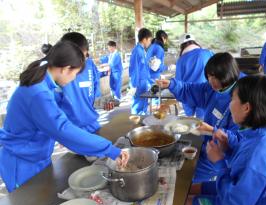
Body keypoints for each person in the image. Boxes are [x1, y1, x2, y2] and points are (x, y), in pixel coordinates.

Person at [0, 41, 128, 192]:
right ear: (66, 69)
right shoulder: (38, 92)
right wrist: (110, 149)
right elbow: (62, 129)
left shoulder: (45, 81)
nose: (74, 78)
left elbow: (60, 117)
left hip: (35, 154)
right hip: (22, 161)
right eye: (75, 74)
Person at [181, 75, 266, 205]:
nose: (230, 105)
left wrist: (218, 162)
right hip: (248, 197)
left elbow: (236, 203)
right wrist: (228, 150)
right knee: (188, 189)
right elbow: (243, 161)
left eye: (232, 99)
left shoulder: (260, 155)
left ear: (246, 107)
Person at [157, 52, 240, 183]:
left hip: (221, 156)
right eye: (209, 77)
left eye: (215, 78)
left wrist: (213, 130)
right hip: (205, 143)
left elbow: (238, 140)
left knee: (187, 178)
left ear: (227, 75)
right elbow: (190, 90)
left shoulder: (240, 97)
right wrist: (171, 84)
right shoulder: (211, 88)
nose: (211, 82)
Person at [55, 32, 105, 134]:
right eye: (78, 58)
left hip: (92, 123)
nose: (82, 62)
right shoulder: (57, 73)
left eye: (85, 56)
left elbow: (96, 87)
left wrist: (101, 103)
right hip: (71, 128)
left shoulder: (90, 64)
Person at [175, 33, 214, 119]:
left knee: (190, 120)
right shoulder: (208, 53)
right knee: (203, 120)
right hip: (205, 93)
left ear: (182, 46)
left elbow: (178, 82)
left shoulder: (181, 60)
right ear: (195, 42)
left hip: (188, 94)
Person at [129, 28, 152, 115]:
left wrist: (150, 81)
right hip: (138, 83)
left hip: (143, 83)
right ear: (145, 39)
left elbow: (143, 68)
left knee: (143, 106)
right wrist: (134, 85)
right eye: (149, 40)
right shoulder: (137, 51)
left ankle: (142, 124)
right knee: (137, 106)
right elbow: (134, 69)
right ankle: (135, 124)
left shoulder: (142, 50)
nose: (150, 43)